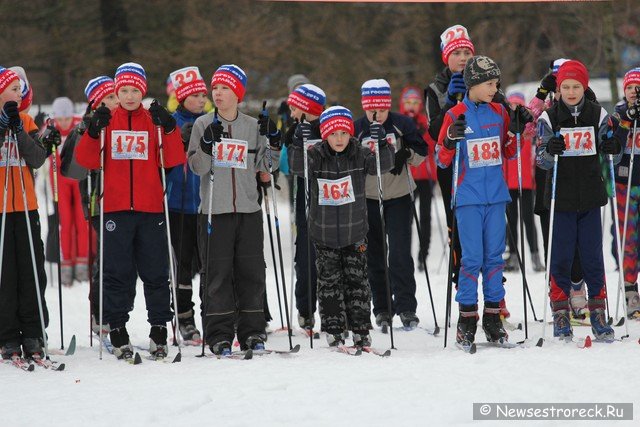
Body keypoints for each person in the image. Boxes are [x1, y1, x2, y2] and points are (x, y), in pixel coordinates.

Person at [76, 63, 184, 360]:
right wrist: (93, 130)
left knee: (155, 272)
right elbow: (86, 161)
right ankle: (118, 328)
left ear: (143, 91)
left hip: (150, 208)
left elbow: (172, 159)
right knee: (116, 272)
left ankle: (159, 329)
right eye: (123, 90)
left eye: (134, 90)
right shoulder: (107, 119)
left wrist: (171, 128)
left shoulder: (153, 120)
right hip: (116, 208)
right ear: (116, 92)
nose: (129, 95)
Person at [436, 56, 532, 346]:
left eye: (496, 84)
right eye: (489, 83)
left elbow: (509, 151)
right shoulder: (455, 114)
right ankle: (467, 319)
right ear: (473, 84)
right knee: (472, 259)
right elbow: (441, 160)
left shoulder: (499, 112)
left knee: (494, 260)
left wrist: (517, 130)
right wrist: (450, 141)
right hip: (468, 198)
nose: (494, 88)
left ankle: (493, 318)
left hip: (496, 196)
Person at [188, 64, 281, 355]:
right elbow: (196, 167)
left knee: (251, 272)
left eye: (224, 88)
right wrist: (206, 145)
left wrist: (274, 141)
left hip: (247, 210)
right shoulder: (203, 124)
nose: (217, 93)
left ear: (238, 93)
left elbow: (266, 167)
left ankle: (253, 332)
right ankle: (218, 334)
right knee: (217, 275)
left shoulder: (252, 127)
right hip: (214, 212)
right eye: (215, 88)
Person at [288, 106, 394, 346]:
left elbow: (382, 166)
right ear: (325, 134)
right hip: (323, 234)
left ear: (351, 135)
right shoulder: (316, 155)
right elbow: (297, 167)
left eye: (344, 134)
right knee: (329, 283)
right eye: (334, 134)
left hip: (354, 231)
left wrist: (384, 144)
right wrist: (297, 142)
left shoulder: (360, 153)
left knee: (357, 283)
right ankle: (334, 328)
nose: (339, 139)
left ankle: (360, 328)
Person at [536, 60, 626, 340]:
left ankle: (598, 310)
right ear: (558, 89)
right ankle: (561, 311)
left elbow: (615, 155)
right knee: (561, 256)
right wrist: (550, 150)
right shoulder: (548, 118)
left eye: (576, 86)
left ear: (584, 87)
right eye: (566, 87)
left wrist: (613, 147)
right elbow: (541, 160)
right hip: (560, 198)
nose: (571, 91)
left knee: (591, 256)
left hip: (589, 196)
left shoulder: (598, 115)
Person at [355, 79, 427, 330]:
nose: (377, 115)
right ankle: (383, 308)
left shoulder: (401, 124)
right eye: (372, 110)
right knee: (374, 255)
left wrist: (406, 154)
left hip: (399, 195)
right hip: (369, 198)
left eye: (382, 110)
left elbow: (422, 151)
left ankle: (407, 307)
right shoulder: (357, 128)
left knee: (399, 253)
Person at [59, 75, 120, 336]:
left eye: (116, 96)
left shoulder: (125, 121)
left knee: (121, 262)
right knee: (103, 260)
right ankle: (99, 314)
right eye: (109, 98)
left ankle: (118, 314)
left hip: (124, 201)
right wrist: (89, 132)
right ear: (96, 102)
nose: (116, 102)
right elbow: (71, 170)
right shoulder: (83, 126)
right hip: (98, 201)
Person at [0, 66, 51, 360]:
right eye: (13, 89)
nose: (19, 94)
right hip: (2, 209)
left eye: (20, 90)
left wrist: (19, 131)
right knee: (6, 274)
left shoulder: (27, 120)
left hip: (26, 206)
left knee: (30, 270)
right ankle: (7, 335)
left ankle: (33, 332)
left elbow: (38, 158)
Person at [425, 24, 474, 301]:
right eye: (457, 53)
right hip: (450, 164)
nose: (463, 58)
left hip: (480, 161)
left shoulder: (481, 78)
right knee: (457, 228)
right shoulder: (435, 88)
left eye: (467, 51)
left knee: (487, 231)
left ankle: (496, 299)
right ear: (447, 57)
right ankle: (463, 292)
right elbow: (433, 131)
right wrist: (448, 104)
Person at [166, 66, 208, 342]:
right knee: (182, 267)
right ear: (182, 97)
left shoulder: (211, 121)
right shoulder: (170, 122)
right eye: (196, 95)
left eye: (204, 94)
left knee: (208, 264)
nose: (203, 99)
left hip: (207, 205)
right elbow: (165, 163)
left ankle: (214, 315)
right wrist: (179, 140)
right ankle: (184, 318)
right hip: (179, 204)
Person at [282, 83, 325, 332]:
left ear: (306, 108)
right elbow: (289, 168)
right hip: (304, 202)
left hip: (329, 201)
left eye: (294, 106)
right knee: (305, 256)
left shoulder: (329, 127)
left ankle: (335, 310)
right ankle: (306, 310)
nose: (290, 111)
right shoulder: (293, 131)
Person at [503, 91, 544, 273]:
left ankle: (535, 255)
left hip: (526, 183)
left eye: (518, 105)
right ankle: (512, 256)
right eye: (512, 105)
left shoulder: (529, 130)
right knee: (511, 221)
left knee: (528, 220)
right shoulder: (506, 128)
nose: (515, 108)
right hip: (508, 183)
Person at [48, 97, 87, 285]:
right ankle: (66, 264)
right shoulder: (51, 128)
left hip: (77, 176)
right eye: (60, 119)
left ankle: (82, 263)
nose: (64, 123)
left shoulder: (78, 124)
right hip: (60, 180)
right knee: (65, 221)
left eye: (67, 118)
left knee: (81, 220)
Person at [613, 67, 640, 319]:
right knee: (628, 239)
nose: (635, 92)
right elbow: (613, 149)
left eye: (638, 87)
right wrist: (627, 120)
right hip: (625, 183)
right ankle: (631, 291)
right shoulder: (620, 112)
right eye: (631, 87)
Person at [401, 86, 437, 271]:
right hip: (407, 177)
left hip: (425, 176)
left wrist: (423, 133)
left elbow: (432, 147)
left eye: (415, 102)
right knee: (406, 218)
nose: (412, 106)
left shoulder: (424, 121)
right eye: (408, 102)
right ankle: (404, 252)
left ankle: (424, 254)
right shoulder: (399, 122)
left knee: (425, 217)